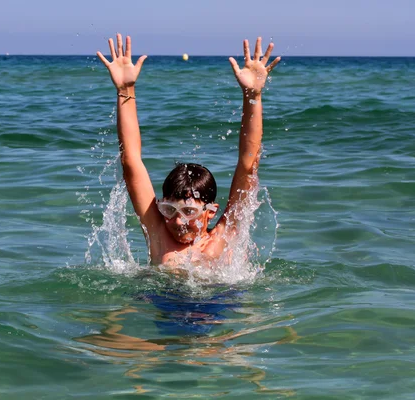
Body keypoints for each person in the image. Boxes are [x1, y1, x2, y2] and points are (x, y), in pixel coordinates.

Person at [96, 34, 280, 267]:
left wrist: (253, 96)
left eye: (190, 212)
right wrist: (125, 89)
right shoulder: (159, 235)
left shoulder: (225, 235)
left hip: (220, 302)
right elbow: (131, 162)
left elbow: (248, 165)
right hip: (163, 302)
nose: (178, 220)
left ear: (210, 211)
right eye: (169, 210)